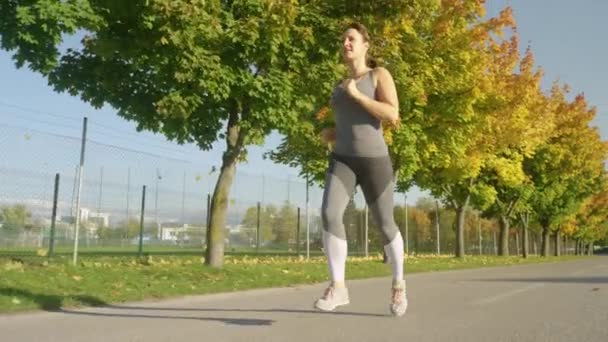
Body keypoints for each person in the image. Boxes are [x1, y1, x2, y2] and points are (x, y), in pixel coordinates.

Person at [314, 22, 407, 317]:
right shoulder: (339, 88)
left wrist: (358, 96)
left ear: (366, 45)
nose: (346, 43)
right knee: (329, 213)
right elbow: (347, 124)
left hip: (374, 161)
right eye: (343, 39)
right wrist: (330, 133)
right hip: (343, 159)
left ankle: (398, 284)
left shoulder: (378, 75)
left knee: (384, 223)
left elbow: (392, 114)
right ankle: (338, 286)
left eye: (351, 38)